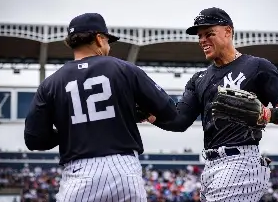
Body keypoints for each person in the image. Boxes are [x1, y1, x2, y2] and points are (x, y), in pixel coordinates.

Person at [147, 7, 278, 201]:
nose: (203, 40)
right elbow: (179, 121)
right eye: (200, 36)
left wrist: (268, 114)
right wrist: (148, 115)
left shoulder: (257, 66)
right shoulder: (199, 79)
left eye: (209, 34)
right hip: (211, 167)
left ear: (228, 31)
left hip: (241, 160)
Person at [24, 13, 178, 202]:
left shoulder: (51, 83)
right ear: (98, 38)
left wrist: (68, 129)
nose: (108, 46)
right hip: (124, 170)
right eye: (107, 40)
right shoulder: (125, 69)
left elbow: (34, 140)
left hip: (80, 173)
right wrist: (128, 114)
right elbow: (170, 111)